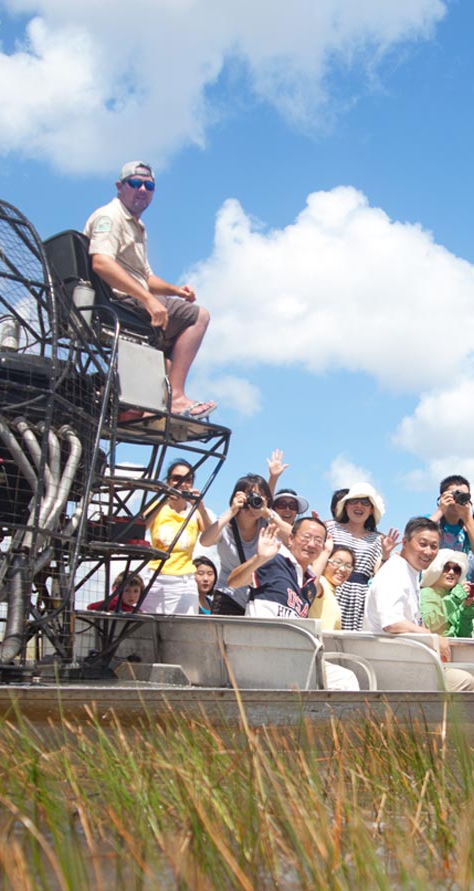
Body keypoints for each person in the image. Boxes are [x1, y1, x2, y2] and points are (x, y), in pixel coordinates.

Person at [85, 161, 213, 419]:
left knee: (171, 345)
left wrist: (176, 291)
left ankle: (136, 405)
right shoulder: (110, 217)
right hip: (121, 303)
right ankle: (176, 397)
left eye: (149, 185)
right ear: (120, 187)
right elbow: (100, 262)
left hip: (132, 300)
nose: (142, 189)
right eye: (135, 183)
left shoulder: (135, 226)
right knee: (199, 317)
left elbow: (146, 277)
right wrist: (147, 299)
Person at [229, 520, 360, 691]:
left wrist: (328, 550)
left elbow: (316, 572)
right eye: (306, 537)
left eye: (318, 540)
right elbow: (233, 581)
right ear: (290, 539)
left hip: (291, 657)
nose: (312, 544)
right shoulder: (275, 562)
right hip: (261, 652)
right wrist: (259, 559)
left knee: (345, 678)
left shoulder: (309, 584)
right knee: (344, 680)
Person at [362, 517, 474, 692]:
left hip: (406, 658)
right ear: (405, 542)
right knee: (467, 681)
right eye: (422, 544)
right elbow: (392, 622)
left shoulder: (409, 572)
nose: (428, 551)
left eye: (434, 546)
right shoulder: (395, 573)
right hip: (392, 663)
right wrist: (433, 637)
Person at [198, 474, 291, 615]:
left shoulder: (268, 522)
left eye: (260, 497)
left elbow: (293, 539)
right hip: (228, 596)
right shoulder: (226, 525)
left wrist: (266, 513)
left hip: (259, 599)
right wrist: (232, 511)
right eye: (250, 496)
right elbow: (205, 541)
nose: (253, 501)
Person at [320, 482, 399, 631]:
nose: (359, 506)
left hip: (360, 598)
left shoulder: (377, 539)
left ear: (371, 510)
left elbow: (377, 574)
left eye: (365, 503)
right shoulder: (330, 527)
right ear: (346, 506)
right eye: (354, 501)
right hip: (331, 589)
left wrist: (386, 554)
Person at [142, 460, 213, 614]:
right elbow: (141, 528)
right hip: (156, 577)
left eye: (188, 480)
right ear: (168, 481)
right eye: (177, 478)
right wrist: (164, 499)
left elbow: (210, 539)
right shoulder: (157, 507)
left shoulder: (195, 512)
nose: (182, 483)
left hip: (184, 580)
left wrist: (200, 506)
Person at [430, 475, 474, 576]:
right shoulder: (432, 521)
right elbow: (417, 537)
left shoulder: (468, 527)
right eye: (454, 494)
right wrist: (440, 510)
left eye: (464, 495)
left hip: (457, 582)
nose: (458, 498)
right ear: (442, 496)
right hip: (432, 580)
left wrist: (467, 518)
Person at [419, 550, 474, 639]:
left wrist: (466, 610)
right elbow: (428, 624)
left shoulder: (456, 597)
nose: (452, 572)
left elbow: (464, 635)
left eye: (457, 569)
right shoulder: (426, 593)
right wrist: (453, 600)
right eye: (446, 568)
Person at [309, 544, 354, 631]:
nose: (343, 569)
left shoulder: (331, 591)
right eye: (337, 562)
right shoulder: (322, 584)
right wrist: (326, 552)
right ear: (325, 563)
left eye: (348, 566)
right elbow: (311, 586)